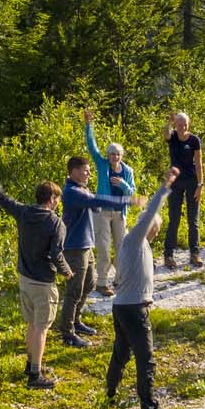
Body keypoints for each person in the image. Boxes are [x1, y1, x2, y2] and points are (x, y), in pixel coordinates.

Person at [0, 150, 73, 388]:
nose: (58, 203)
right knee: (42, 328)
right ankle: (35, 375)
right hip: (43, 282)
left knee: (32, 323)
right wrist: (67, 271)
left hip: (24, 278)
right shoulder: (56, 223)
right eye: (58, 199)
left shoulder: (23, 212)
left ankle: (31, 363)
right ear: (51, 198)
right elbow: (56, 254)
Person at [107, 166, 183, 409]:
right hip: (132, 310)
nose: (157, 233)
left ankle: (109, 396)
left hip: (123, 306)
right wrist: (167, 185)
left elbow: (125, 278)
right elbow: (151, 212)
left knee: (121, 354)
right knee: (146, 361)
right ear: (148, 227)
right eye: (157, 229)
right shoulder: (135, 238)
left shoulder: (137, 246)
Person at [59, 155, 140, 347]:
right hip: (74, 248)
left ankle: (76, 321)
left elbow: (94, 207)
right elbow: (99, 201)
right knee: (74, 291)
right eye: (85, 170)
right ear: (74, 171)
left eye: (89, 170)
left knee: (89, 284)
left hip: (86, 245)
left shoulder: (82, 188)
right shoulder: (71, 191)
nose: (89, 173)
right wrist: (127, 201)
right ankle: (67, 333)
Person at [84, 109, 137, 297]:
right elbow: (92, 146)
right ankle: (101, 283)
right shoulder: (102, 164)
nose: (114, 157)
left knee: (122, 248)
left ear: (121, 156)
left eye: (117, 154)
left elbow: (132, 193)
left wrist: (122, 184)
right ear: (108, 155)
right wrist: (89, 125)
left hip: (119, 213)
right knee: (104, 248)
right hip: (102, 212)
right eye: (112, 154)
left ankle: (120, 281)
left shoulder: (127, 171)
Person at [163, 111, 205, 268]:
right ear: (176, 125)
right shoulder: (172, 137)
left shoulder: (194, 140)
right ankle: (168, 255)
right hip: (175, 182)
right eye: (179, 124)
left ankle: (194, 254)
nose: (182, 126)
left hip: (192, 182)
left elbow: (199, 163)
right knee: (174, 218)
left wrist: (201, 185)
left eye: (185, 123)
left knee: (193, 219)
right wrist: (169, 121)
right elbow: (166, 134)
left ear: (189, 124)